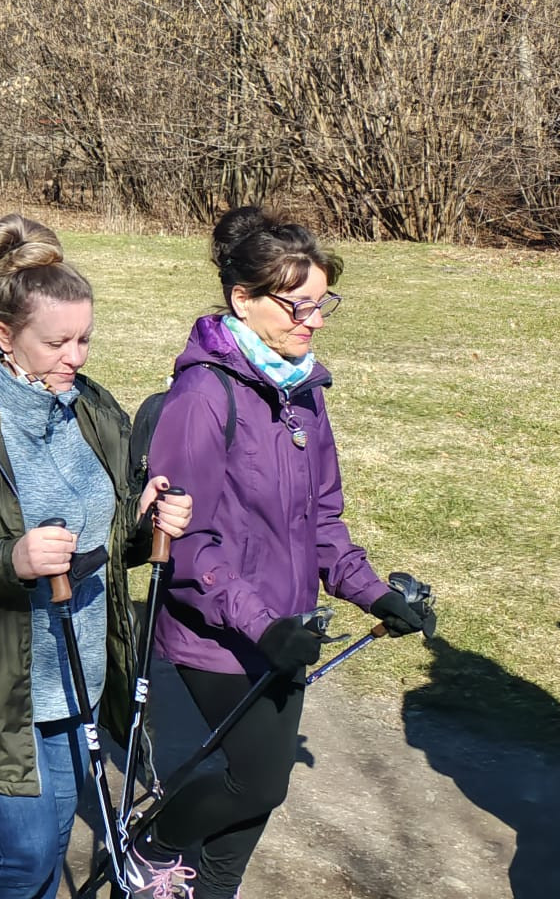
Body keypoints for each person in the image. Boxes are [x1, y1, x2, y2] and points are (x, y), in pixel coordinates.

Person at [0, 214, 195, 899]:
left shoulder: (92, 409)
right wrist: (8, 559)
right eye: (58, 342)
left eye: (84, 339)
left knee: (46, 855)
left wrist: (146, 525)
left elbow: (105, 541)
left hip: (77, 677)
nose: (75, 357)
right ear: (4, 338)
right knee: (21, 859)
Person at [130, 208, 428, 899]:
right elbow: (186, 545)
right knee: (255, 776)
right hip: (221, 633)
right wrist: (263, 624)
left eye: (323, 303)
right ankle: (151, 847)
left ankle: (211, 888)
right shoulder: (203, 398)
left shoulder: (302, 391)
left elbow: (323, 518)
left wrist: (372, 592)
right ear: (243, 299)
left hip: (288, 629)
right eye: (299, 305)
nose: (315, 319)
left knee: (262, 789)